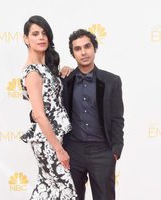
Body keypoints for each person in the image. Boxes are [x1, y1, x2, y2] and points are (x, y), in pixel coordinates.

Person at [62, 29, 124, 200]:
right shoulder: (65, 80)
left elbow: (117, 118)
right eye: (77, 49)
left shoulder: (112, 81)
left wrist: (116, 150)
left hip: (102, 151)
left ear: (94, 48)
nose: (83, 52)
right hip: (73, 151)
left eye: (87, 46)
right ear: (73, 54)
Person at [20, 15, 77, 199]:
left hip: (54, 137)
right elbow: (39, 115)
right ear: (26, 39)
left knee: (47, 189)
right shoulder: (32, 72)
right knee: (65, 191)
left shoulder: (44, 67)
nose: (41, 37)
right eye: (35, 34)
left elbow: (52, 98)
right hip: (48, 141)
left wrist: (63, 71)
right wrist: (59, 149)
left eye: (44, 33)